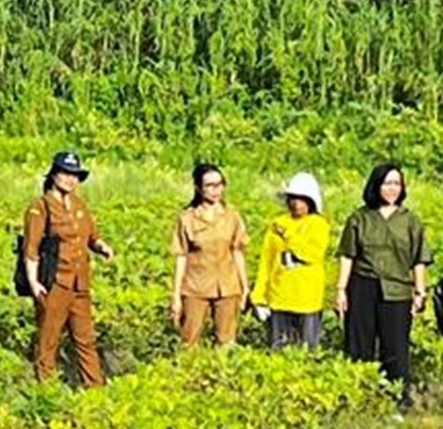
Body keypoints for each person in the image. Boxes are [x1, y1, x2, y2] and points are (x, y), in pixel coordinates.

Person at [335, 162, 429, 407]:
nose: (392, 188)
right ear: (376, 185)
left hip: (397, 290)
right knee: (359, 345)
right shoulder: (359, 217)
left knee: (395, 347)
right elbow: (347, 255)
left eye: (397, 183)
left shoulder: (410, 220)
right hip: (363, 286)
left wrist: (420, 291)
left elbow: (419, 258)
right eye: (387, 183)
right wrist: (341, 290)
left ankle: (396, 400)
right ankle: (359, 398)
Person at [23, 150, 114, 386]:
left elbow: (91, 236)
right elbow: (31, 248)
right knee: (48, 339)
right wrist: (34, 283)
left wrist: (101, 246)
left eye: (75, 175)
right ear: (53, 175)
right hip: (54, 282)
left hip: (80, 282)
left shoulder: (79, 204)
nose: (70, 179)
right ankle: (46, 389)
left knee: (85, 338)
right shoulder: (40, 206)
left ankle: (95, 389)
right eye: (65, 173)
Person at [171, 163, 250, 348]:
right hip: (195, 287)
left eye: (220, 184)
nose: (216, 190)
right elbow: (181, 256)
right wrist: (176, 295)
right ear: (198, 188)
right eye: (210, 186)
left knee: (226, 341)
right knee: (189, 341)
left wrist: (244, 286)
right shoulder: (187, 218)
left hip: (228, 286)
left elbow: (237, 251)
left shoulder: (232, 216)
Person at [252, 172, 330, 351]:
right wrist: (258, 295)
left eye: (302, 198)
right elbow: (267, 260)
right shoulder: (277, 223)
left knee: (307, 351)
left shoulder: (318, 224)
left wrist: (288, 235)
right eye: (293, 198)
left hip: (307, 301)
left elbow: (312, 254)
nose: (296, 203)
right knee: (278, 349)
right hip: (279, 298)